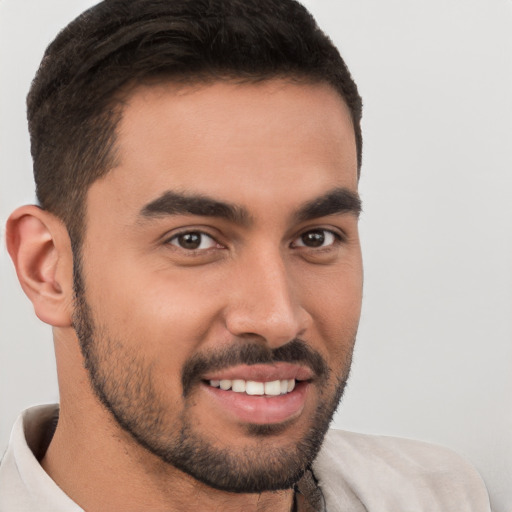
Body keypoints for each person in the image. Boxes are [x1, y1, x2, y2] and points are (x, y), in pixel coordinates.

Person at [0, 0, 491, 510]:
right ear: (47, 270)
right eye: (193, 240)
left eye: (316, 237)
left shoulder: (441, 495)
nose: (278, 318)